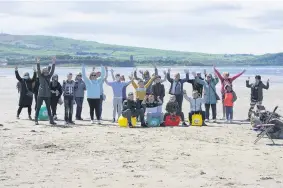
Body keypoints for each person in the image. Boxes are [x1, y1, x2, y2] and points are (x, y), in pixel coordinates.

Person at [34, 57, 56, 125]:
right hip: (40, 95)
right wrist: (38, 62)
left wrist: (53, 63)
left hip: (47, 95)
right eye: (44, 70)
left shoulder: (49, 76)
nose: (46, 71)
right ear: (42, 71)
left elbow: (52, 71)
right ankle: (36, 120)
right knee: (38, 107)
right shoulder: (40, 76)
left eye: (46, 70)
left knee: (48, 108)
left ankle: (51, 120)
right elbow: (38, 69)